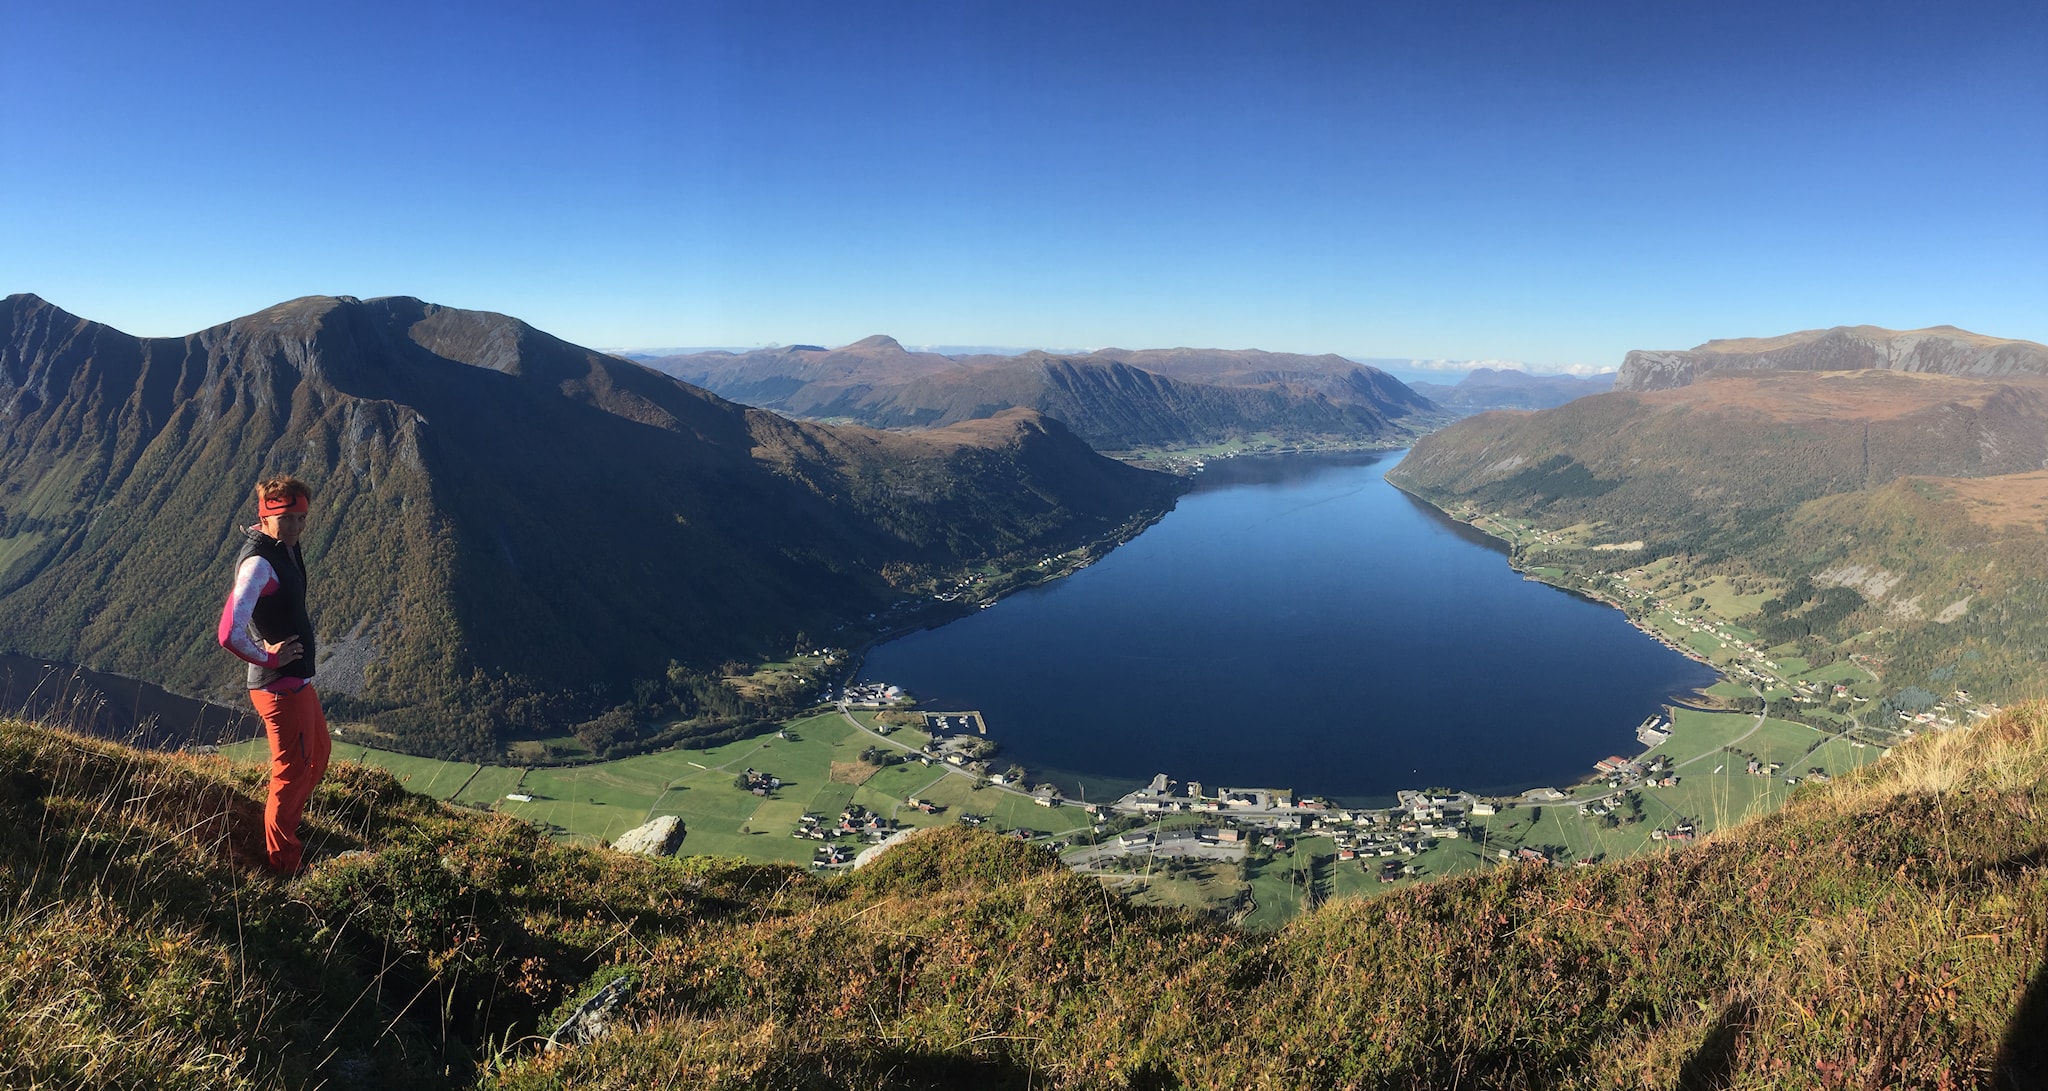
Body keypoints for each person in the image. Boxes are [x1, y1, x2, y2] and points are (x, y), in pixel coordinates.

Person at [216, 474, 332, 875]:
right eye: (287, 518)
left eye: (302, 517)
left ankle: (287, 826)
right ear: (265, 516)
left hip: (297, 682)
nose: (297, 526)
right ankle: (284, 863)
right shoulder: (258, 563)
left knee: (318, 756)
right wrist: (269, 657)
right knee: (291, 773)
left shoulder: (284, 547)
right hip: (280, 689)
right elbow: (229, 632)